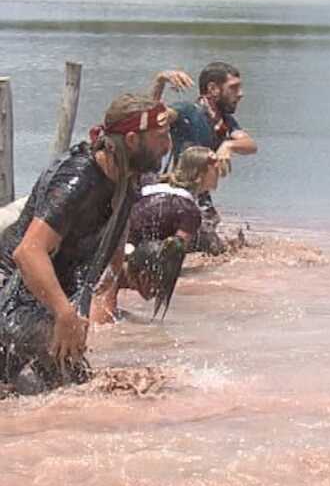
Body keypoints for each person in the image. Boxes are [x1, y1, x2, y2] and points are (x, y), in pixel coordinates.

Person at [0, 95, 173, 395]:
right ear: (132, 140)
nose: (168, 145)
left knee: (63, 389)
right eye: (161, 137)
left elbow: (114, 240)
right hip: (11, 292)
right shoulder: (79, 178)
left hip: (41, 302)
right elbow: (28, 252)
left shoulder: (126, 176)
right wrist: (64, 313)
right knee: (77, 393)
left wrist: (107, 288)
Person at [92, 145, 221, 323]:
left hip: (108, 240)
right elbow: (174, 253)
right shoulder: (189, 211)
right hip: (124, 255)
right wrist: (159, 287)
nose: (220, 172)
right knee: (105, 309)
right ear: (200, 174)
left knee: (106, 288)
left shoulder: (154, 183)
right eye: (215, 169)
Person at [155, 62, 256, 252]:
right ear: (213, 89)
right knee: (210, 247)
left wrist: (229, 145)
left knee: (216, 242)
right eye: (233, 87)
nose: (240, 94)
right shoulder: (186, 111)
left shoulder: (225, 120)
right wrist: (160, 82)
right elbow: (151, 120)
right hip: (177, 193)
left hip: (200, 196)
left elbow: (251, 145)